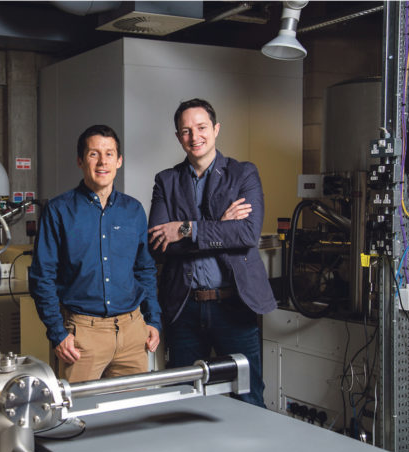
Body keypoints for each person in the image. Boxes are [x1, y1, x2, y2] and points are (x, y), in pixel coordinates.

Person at [147, 98, 276, 407]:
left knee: (249, 395)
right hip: (184, 307)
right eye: (186, 131)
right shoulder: (166, 181)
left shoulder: (243, 174)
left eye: (202, 127)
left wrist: (187, 228)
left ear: (216, 129)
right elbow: (159, 244)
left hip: (234, 304)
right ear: (179, 137)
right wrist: (219, 226)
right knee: (185, 397)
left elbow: (246, 234)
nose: (195, 137)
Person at [29, 124, 162, 383]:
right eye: (93, 154)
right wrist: (57, 332)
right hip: (82, 337)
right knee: (80, 418)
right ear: (80, 161)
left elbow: (145, 270)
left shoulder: (133, 210)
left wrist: (153, 320)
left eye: (109, 154)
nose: (102, 162)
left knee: (133, 414)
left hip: (133, 331)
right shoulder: (59, 210)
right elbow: (42, 276)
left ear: (119, 160)